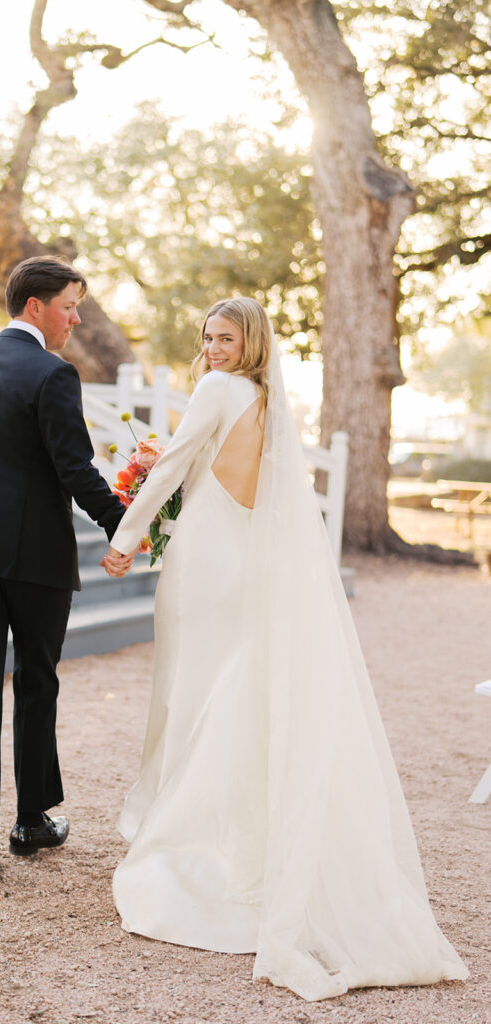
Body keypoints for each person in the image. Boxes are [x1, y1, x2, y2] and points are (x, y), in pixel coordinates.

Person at [101, 297, 468, 1001]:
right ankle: (242, 845)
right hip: (241, 560)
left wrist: (126, 539)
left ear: (251, 342)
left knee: (187, 695)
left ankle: (189, 841)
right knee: (226, 694)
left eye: (226, 337)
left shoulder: (216, 389)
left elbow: (176, 465)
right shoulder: (267, 402)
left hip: (204, 557)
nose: (212, 347)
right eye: (206, 335)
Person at [0, 255, 129, 887]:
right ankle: (31, 822)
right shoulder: (53, 373)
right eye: (70, 306)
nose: (75, 319)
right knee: (37, 681)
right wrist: (126, 524)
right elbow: (74, 469)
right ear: (36, 307)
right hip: (34, 555)